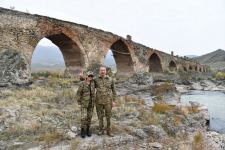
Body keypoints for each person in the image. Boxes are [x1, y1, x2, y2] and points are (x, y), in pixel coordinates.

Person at [94, 66, 117, 136]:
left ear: (106, 71)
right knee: (100, 117)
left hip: (108, 102)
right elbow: (88, 83)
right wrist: (81, 78)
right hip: (99, 102)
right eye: (101, 70)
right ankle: (101, 130)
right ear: (99, 71)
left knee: (108, 117)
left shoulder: (111, 79)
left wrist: (114, 101)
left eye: (104, 70)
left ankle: (109, 131)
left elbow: (114, 91)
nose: (102, 72)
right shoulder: (95, 79)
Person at [76, 71, 95, 138]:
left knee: (89, 117)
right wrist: (79, 101)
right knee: (83, 117)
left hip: (91, 103)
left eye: (91, 76)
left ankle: (88, 129)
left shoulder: (93, 83)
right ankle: (82, 130)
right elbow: (78, 93)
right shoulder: (82, 84)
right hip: (84, 103)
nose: (90, 77)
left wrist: (81, 77)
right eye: (89, 76)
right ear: (86, 76)